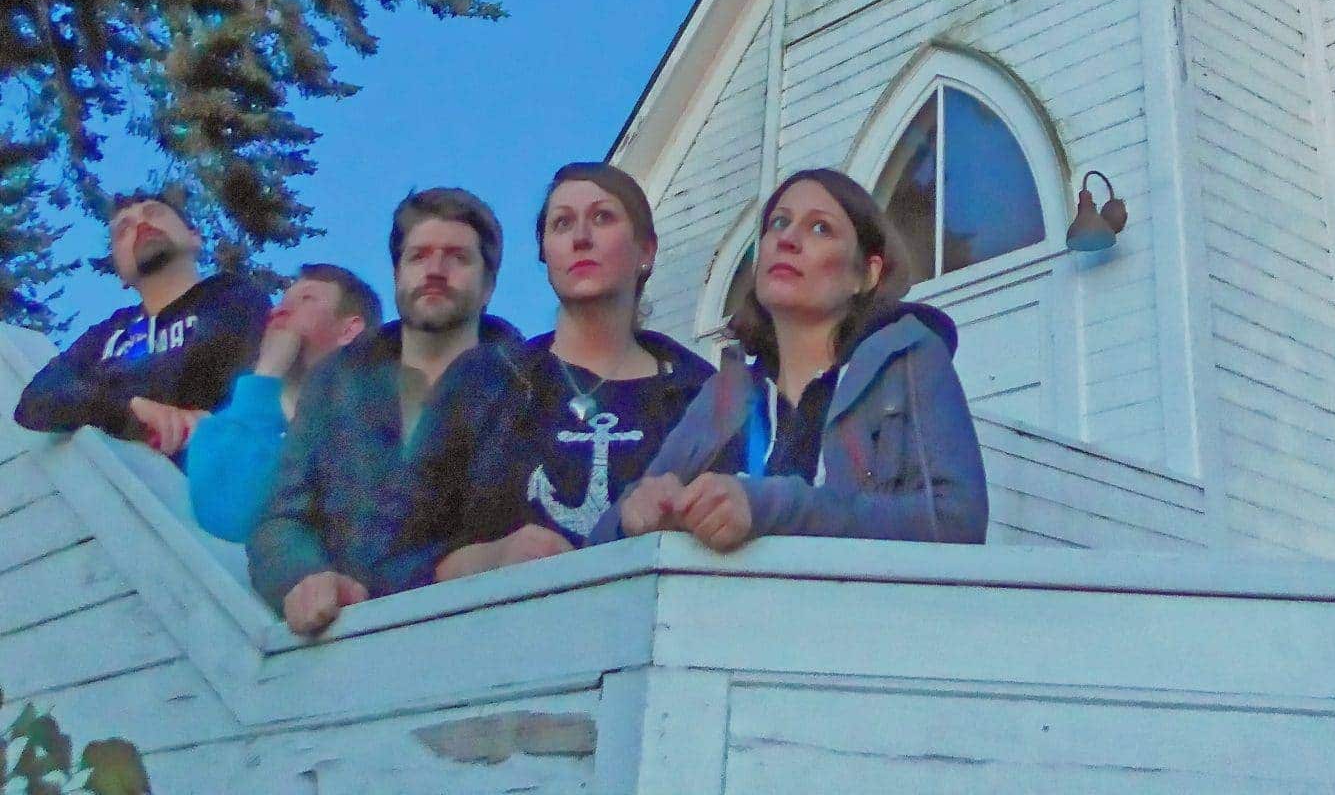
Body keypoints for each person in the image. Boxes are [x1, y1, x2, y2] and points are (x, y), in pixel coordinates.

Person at [596, 168, 988, 549]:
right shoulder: (725, 393)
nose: (787, 239)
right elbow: (605, 537)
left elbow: (956, 521)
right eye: (778, 224)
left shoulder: (907, 359)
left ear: (867, 275)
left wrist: (774, 507)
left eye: (821, 228)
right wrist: (636, 514)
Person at [404, 161, 713, 584]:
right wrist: (494, 557)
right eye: (562, 223)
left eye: (603, 217)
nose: (581, 238)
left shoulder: (700, 396)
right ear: (545, 254)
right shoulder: (485, 383)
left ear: (646, 250)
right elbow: (402, 545)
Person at [247, 187, 523, 637]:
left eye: (457, 257)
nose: (434, 271)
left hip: (471, 638)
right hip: (337, 640)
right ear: (397, 274)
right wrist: (302, 577)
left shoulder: (526, 385)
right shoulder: (336, 382)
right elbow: (282, 517)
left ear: (488, 284)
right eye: (418, 256)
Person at [13, 187, 268, 456]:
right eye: (124, 229)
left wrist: (102, 394)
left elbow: (216, 370)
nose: (141, 224)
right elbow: (36, 401)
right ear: (120, 273)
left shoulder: (233, 297)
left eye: (153, 213)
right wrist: (128, 407)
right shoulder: (105, 336)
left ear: (195, 237)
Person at [185, 263, 383, 543]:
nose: (279, 311)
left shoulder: (379, 427)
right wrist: (267, 373)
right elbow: (229, 518)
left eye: (306, 300)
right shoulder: (219, 429)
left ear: (350, 329)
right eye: (282, 301)